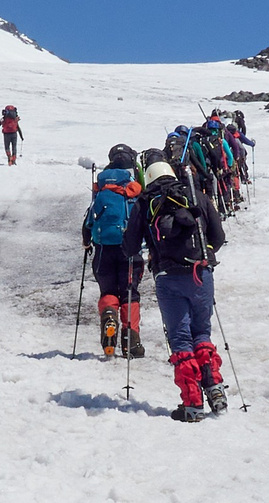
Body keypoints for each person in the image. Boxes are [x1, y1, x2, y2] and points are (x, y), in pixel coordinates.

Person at [122, 159, 226, 421]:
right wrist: (205, 253)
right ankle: (215, 387)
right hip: (201, 274)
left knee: (180, 339)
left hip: (168, 278)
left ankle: (193, 404)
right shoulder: (197, 196)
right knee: (202, 332)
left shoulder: (146, 202)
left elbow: (130, 247)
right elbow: (218, 237)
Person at [80, 146, 145, 358]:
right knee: (129, 292)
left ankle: (109, 314)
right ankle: (131, 341)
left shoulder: (101, 194)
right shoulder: (132, 193)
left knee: (108, 290)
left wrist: (87, 243)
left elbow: (88, 224)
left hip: (103, 251)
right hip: (129, 251)